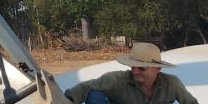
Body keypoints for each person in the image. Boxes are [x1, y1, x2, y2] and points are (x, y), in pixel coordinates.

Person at [65, 42, 198, 104]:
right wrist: (66, 100)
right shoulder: (117, 80)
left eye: (141, 68)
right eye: (133, 66)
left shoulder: (172, 84)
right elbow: (87, 86)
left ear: (157, 69)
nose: (135, 71)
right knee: (95, 95)